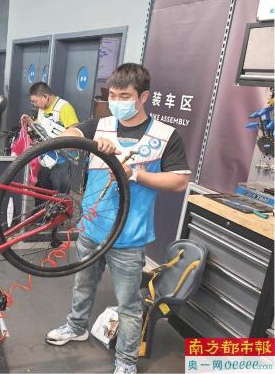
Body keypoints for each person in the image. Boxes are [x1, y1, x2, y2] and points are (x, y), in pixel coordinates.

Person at [45, 63, 190, 374]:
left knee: (129, 305)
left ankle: (126, 361)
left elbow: (179, 181)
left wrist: (135, 175)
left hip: (129, 237)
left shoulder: (165, 135)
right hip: (91, 229)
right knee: (82, 286)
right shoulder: (101, 126)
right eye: (112, 95)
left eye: (124, 96)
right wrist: (90, 142)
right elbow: (68, 134)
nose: (117, 101)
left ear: (143, 97)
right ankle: (77, 326)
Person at [21, 82, 80, 199]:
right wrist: (30, 122)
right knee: (42, 191)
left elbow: (75, 133)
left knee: (60, 195)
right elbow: (42, 128)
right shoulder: (42, 109)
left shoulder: (64, 107)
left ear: (45, 97)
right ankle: (42, 210)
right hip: (46, 158)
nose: (34, 105)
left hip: (62, 160)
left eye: (35, 101)